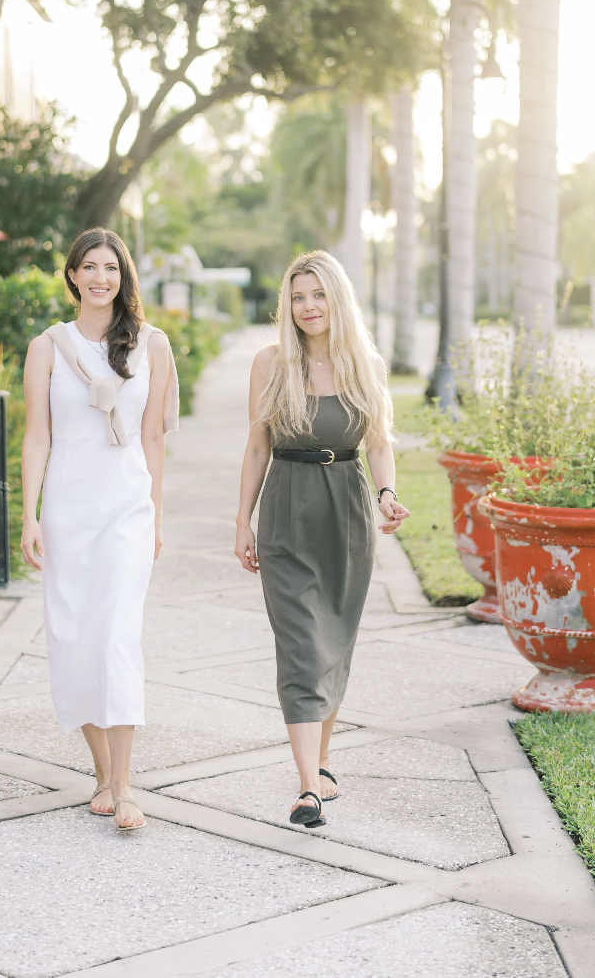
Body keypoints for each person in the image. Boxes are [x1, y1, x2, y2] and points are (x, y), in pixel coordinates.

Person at [235, 250, 409, 827]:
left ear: (337, 299)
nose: (308, 307)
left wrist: (386, 493)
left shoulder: (366, 365)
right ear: (287, 305)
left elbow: (378, 442)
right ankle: (308, 786)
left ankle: (324, 759)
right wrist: (243, 521)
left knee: (333, 641)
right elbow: (258, 445)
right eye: (298, 297)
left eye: (318, 295)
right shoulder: (270, 364)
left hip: (347, 514)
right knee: (301, 646)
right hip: (287, 508)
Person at [21, 227, 178, 833]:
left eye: (109, 267)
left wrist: (156, 513)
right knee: (74, 636)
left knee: (115, 633)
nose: (99, 277)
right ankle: (102, 774)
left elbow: (153, 439)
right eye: (88, 266)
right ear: (71, 276)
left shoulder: (152, 345)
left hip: (126, 506)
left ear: (123, 276)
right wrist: (28, 514)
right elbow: (39, 435)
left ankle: (126, 785)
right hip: (67, 504)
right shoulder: (47, 348)